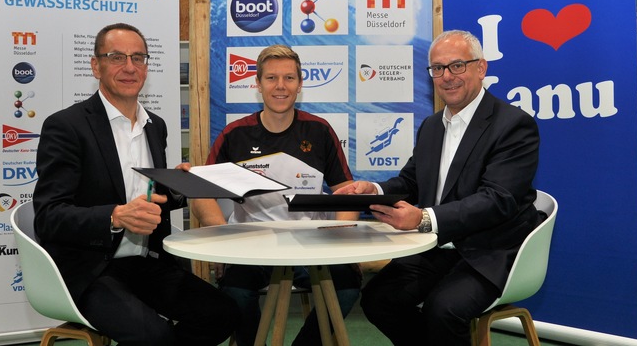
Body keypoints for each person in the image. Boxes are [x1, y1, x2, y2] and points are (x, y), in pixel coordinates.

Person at [33, 23, 239, 345]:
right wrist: (114, 216)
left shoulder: (155, 126)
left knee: (223, 313)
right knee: (155, 336)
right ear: (96, 66)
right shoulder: (66, 126)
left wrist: (178, 187)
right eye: (117, 57)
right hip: (91, 269)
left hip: (147, 263)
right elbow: (48, 216)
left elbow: (149, 198)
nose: (130, 67)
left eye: (138, 58)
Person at [334, 30, 542, 346]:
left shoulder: (513, 125)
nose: (446, 76)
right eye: (437, 68)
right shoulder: (432, 125)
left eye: (457, 65)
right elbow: (411, 182)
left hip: (491, 251)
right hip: (438, 247)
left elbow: (498, 200)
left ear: (481, 68)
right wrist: (373, 190)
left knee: (443, 310)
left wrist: (423, 219)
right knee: (378, 299)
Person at [191, 44, 362, 346]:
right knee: (235, 294)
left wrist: (341, 239)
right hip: (250, 246)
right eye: (271, 78)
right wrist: (222, 239)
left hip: (310, 245)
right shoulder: (235, 134)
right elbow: (201, 193)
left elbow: (346, 192)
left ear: (300, 84)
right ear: (258, 84)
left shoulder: (319, 130)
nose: (280, 86)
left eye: (289, 78)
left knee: (347, 286)